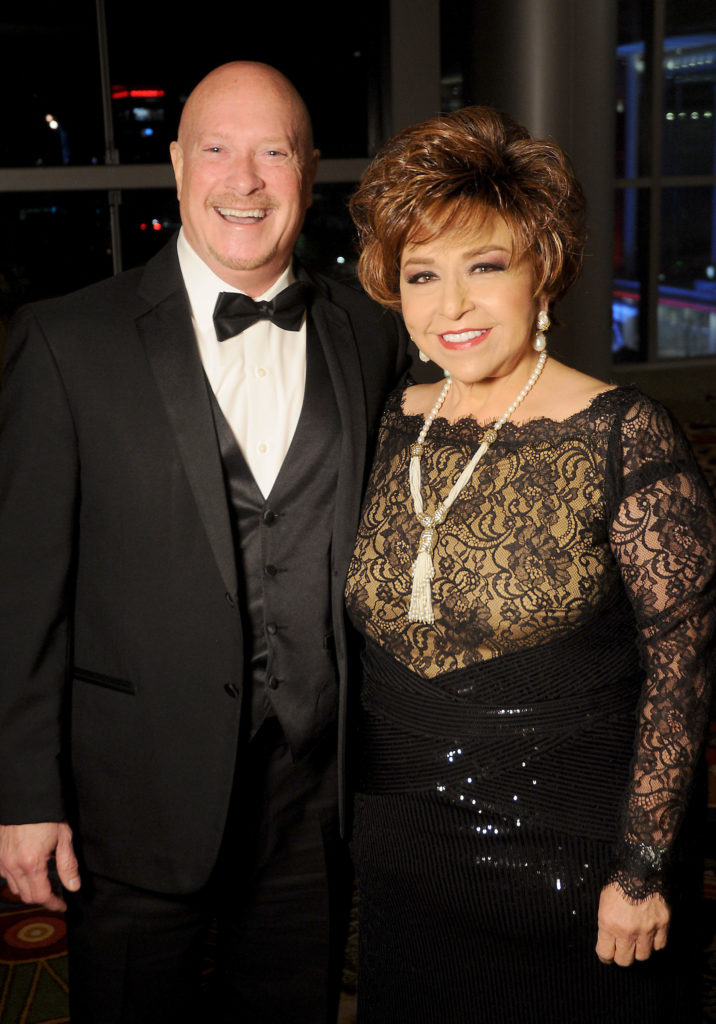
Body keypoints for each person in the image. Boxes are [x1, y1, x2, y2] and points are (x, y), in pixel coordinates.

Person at [0, 61, 408, 1023]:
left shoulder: (367, 329)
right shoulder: (67, 342)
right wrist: (21, 793)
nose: (245, 179)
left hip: (315, 792)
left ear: (307, 170)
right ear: (177, 164)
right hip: (131, 791)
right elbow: (22, 595)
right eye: (218, 150)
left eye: (274, 152)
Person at [344, 105, 716, 1023]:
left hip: (572, 872)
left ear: (542, 271)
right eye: (423, 275)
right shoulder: (395, 417)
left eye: (485, 267)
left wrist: (642, 870)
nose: (453, 306)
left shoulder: (625, 434)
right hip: (402, 861)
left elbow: (683, 672)